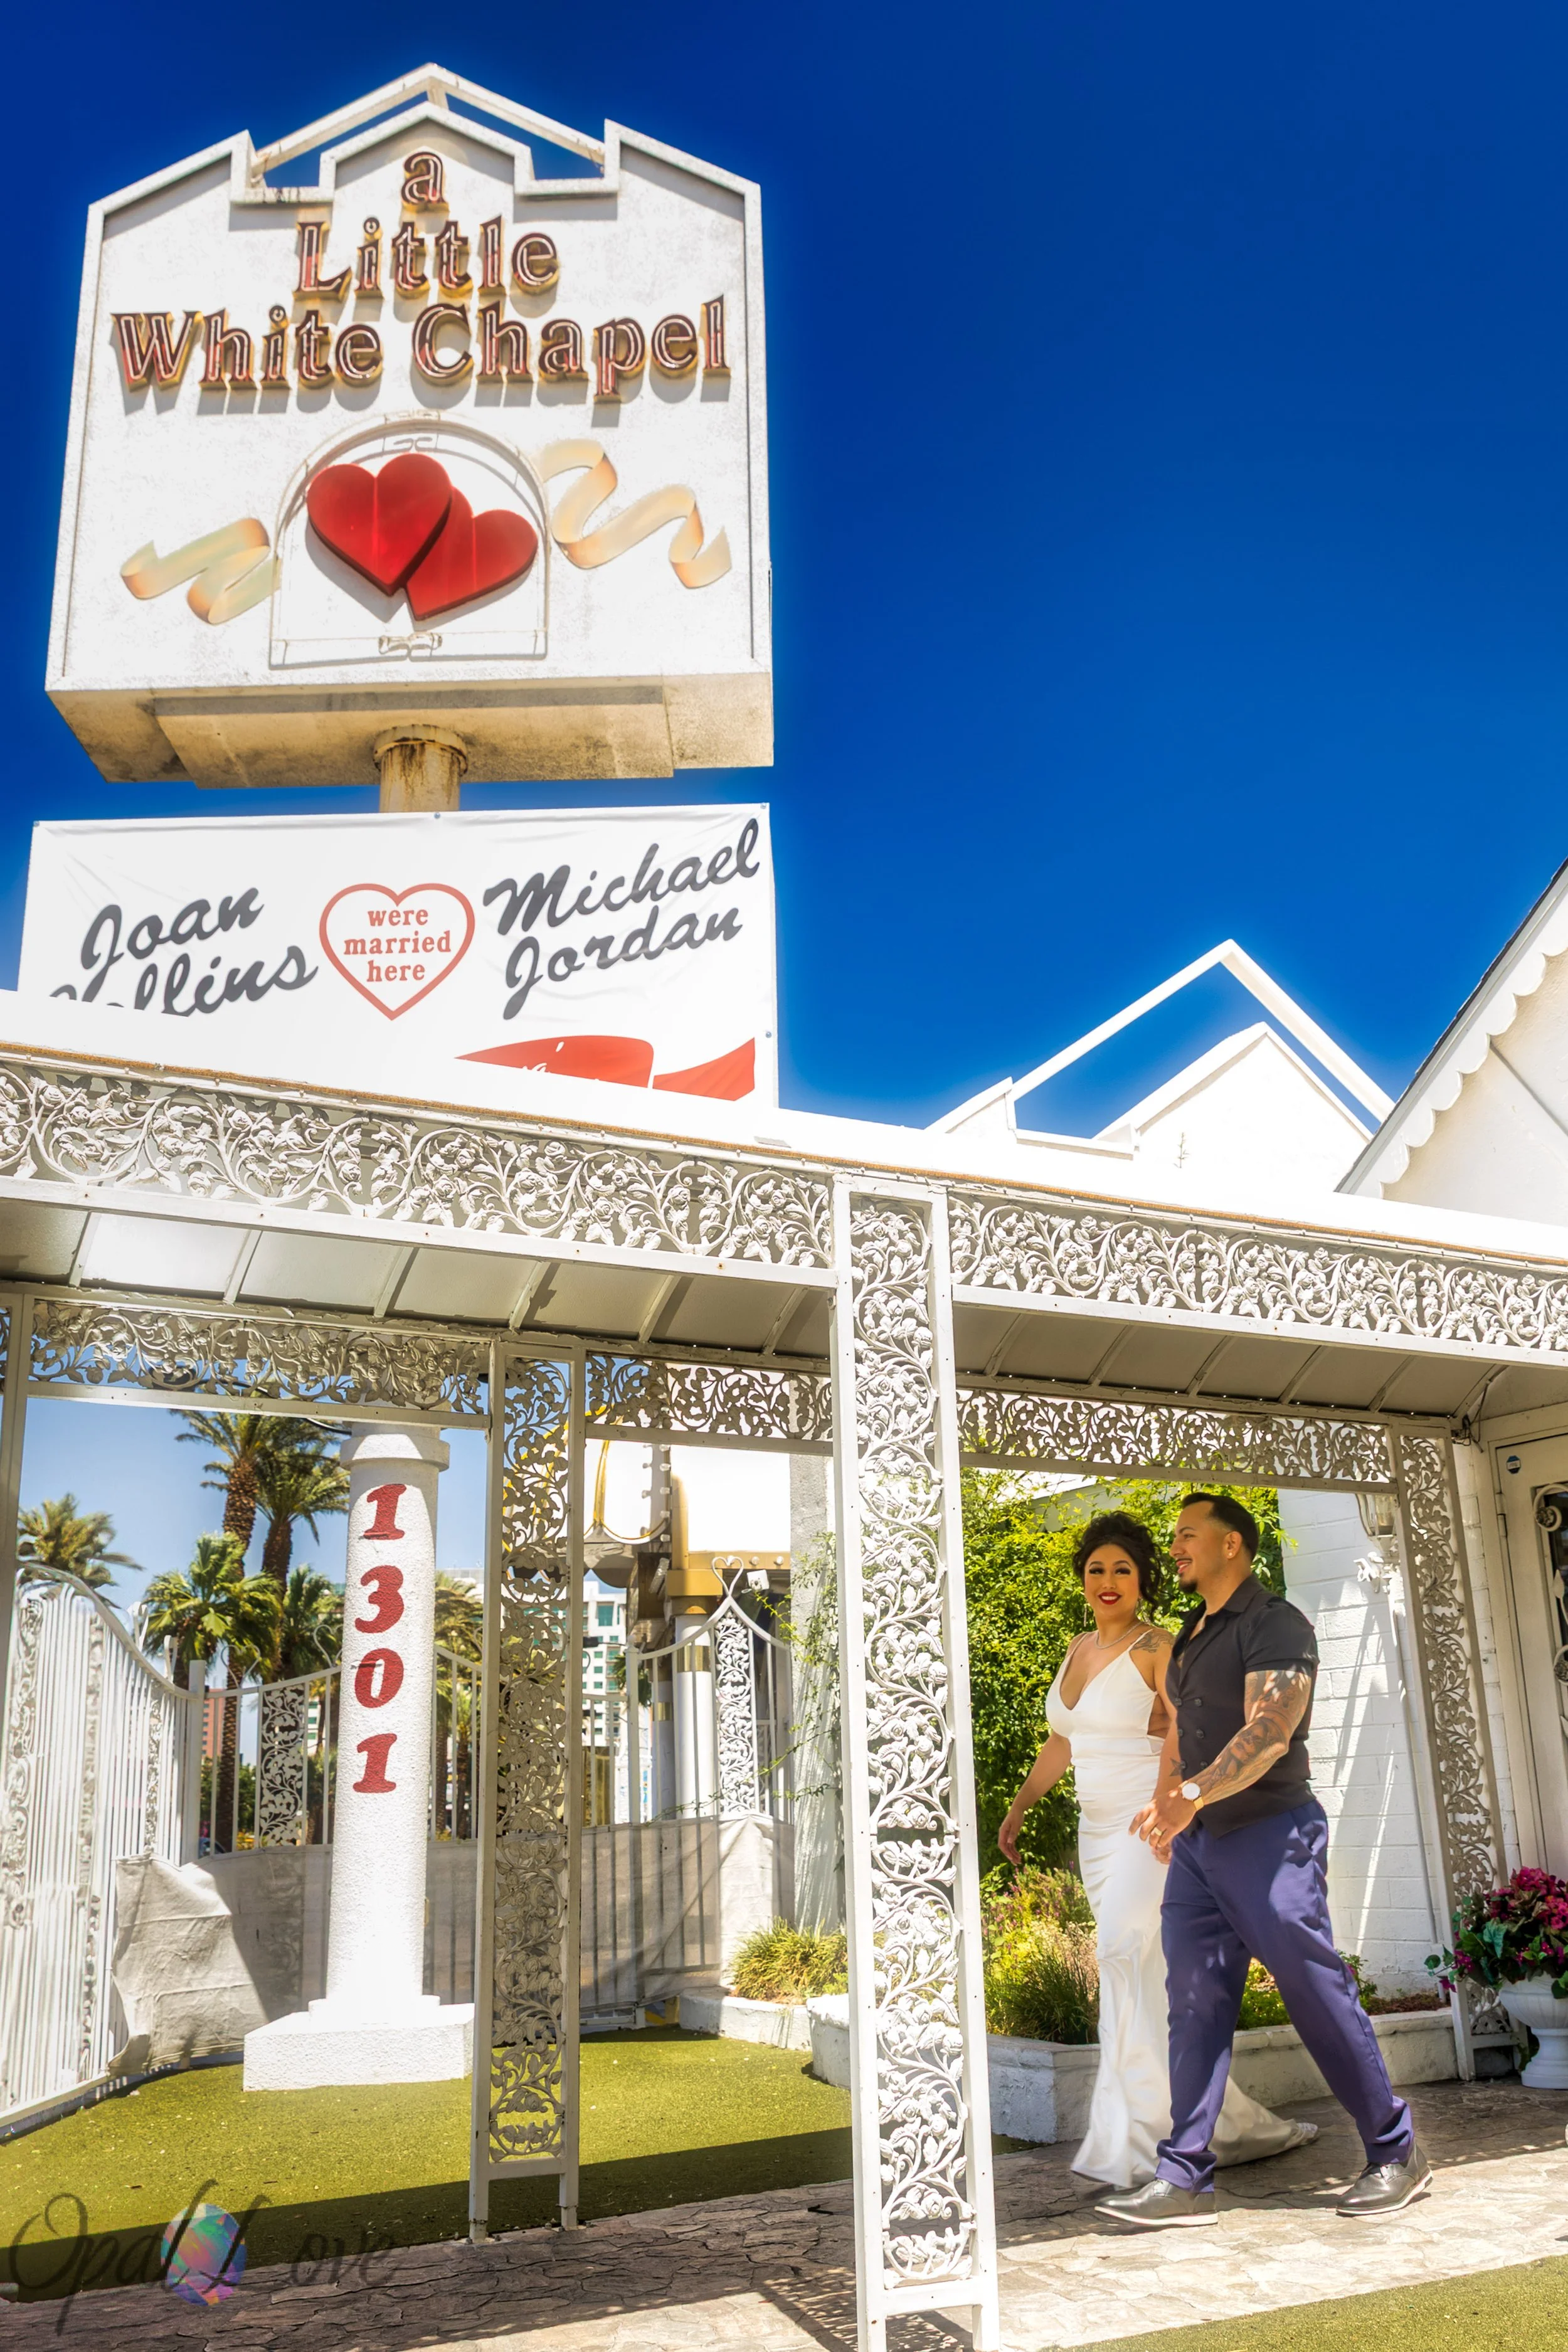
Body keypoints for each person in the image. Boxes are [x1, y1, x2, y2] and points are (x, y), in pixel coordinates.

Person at [1095, 1492, 1430, 2230]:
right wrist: (1166, 1808)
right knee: (1193, 2004)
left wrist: (1189, 1792)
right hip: (1199, 1849)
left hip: (1270, 1835)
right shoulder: (1193, 1634)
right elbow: (1183, 1733)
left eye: (1188, 1535)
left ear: (1233, 1546)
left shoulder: (1276, 1623)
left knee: (1313, 1990)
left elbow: (1270, 1731)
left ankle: (1393, 2150)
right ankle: (1184, 2177)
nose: (1175, 1547)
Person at [998, 1509, 1311, 2190]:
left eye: (1123, 1570)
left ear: (1142, 1581)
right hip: (1094, 1832)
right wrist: (1020, 1807)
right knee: (1141, 1972)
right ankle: (1214, 2122)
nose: (1107, 1581)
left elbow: (1186, 1727)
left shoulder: (1157, 1648)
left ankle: (1140, 2139)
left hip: (1147, 1827)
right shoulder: (1077, 1649)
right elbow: (1063, 1741)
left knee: (1119, 1955)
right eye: (1095, 1570)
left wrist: (1171, 1803)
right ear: (1081, 1579)